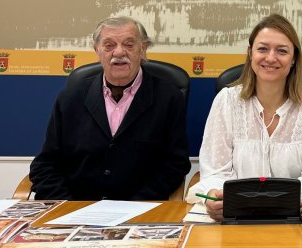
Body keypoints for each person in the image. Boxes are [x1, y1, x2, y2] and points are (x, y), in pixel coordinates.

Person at [187, 14, 302, 221]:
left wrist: (278, 204)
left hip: (296, 220)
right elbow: (215, 171)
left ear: (294, 58)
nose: (271, 58)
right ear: (250, 53)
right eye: (262, 49)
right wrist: (214, 197)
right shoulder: (227, 101)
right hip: (235, 219)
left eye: (282, 51)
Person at [29, 16, 190, 200]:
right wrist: (66, 206)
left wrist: (136, 206)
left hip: (139, 210)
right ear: (97, 50)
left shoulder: (168, 98)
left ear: (143, 49)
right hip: (75, 207)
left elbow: (174, 164)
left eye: (129, 44)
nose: (119, 52)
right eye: (109, 45)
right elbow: (46, 163)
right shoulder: (70, 98)